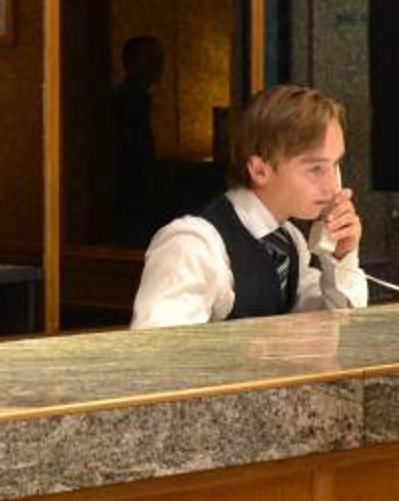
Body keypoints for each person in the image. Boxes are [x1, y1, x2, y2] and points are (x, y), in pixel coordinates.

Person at [131, 83, 367, 325]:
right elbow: (158, 346)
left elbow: (336, 324)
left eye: (335, 165)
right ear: (259, 170)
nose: (333, 186)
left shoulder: (290, 240)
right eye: (316, 168)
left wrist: (341, 257)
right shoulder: (193, 245)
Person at [109, 33, 165, 242]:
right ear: (130, 63)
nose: (158, 66)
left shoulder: (140, 97)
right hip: (129, 182)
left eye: (159, 59)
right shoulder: (128, 99)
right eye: (150, 59)